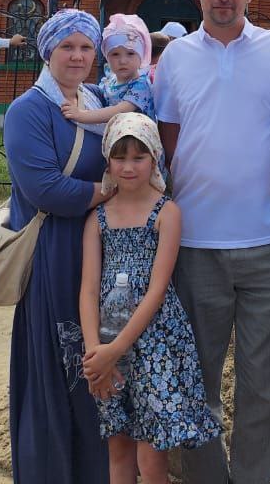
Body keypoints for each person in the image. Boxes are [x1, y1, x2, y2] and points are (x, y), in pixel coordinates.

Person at [154, 0, 270, 484]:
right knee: (196, 381)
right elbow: (170, 146)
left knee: (268, 385)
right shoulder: (175, 58)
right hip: (195, 245)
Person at [79, 113, 220, 484]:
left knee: (151, 449)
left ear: (155, 157)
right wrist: (97, 350)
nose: (128, 167)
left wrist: (117, 349)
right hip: (108, 338)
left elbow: (158, 289)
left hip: (155, 341)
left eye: (138, 157)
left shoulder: (166, 213)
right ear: (107, 160)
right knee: (118, 443)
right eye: (119, 157)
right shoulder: (98, 218)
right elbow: (89, 288)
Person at [6, 8, 114, 483]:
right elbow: (44, 188)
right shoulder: (29, 110)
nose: (77, 56)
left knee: (100, 358)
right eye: (67, 47)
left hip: (99, 248)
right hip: (56, 250)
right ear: (47, 52)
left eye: (86, 47)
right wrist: (108, 192)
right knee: (61, 358)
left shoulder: (95, 101)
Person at [64, 14, 154, 124]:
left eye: (130, 53)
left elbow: (118, 111)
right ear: (107, 58)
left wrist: (81, 115)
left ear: (141, 56)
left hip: (134, 138)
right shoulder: (110, 80)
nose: (123, 61)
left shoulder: (140, 85)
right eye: (115, 54)